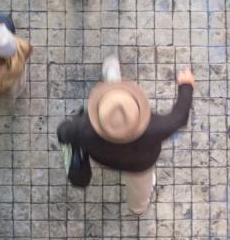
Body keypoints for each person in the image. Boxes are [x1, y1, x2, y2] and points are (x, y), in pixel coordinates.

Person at [56, 57, 194, 215]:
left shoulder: (83, 129)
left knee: (114, 103)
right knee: (140, 190)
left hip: (105, 160)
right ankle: (138, 209)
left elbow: (63, 132)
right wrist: (186, 86)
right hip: (140, 165)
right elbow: (179, 117)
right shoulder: (155, 128)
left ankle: (111, 74)